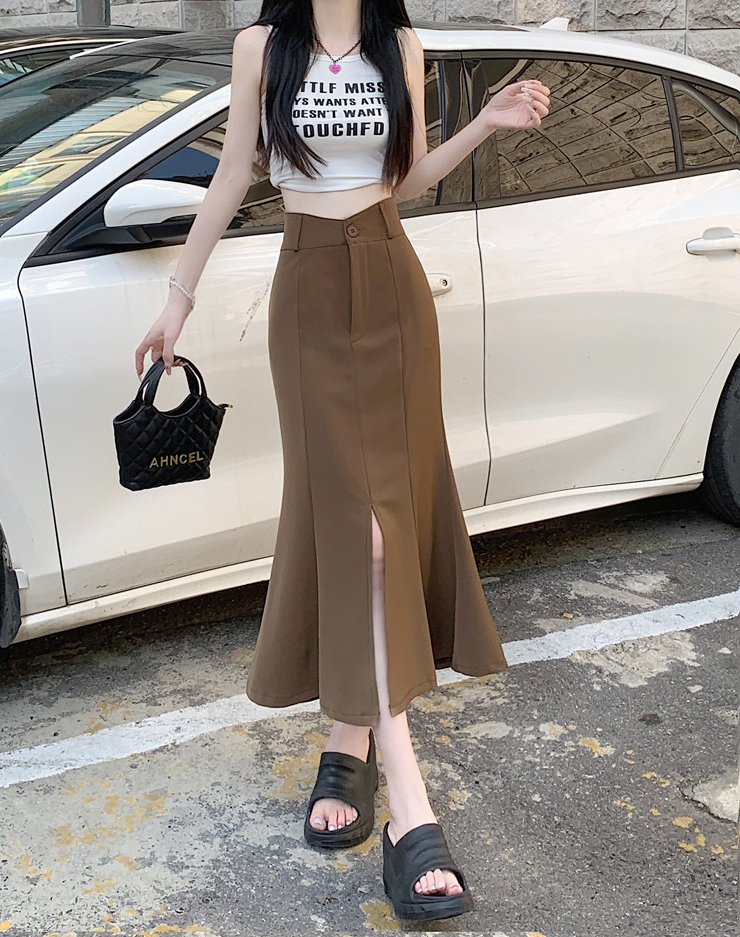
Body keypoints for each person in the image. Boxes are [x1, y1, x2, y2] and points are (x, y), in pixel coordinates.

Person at [135, 0, 550, 922]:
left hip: (394, 286)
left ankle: (349, 737)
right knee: (355, 529)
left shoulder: (399, 45)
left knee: (386, 525)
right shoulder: (261, 47)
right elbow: (233, 172)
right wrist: (177, 300)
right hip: (310, 290)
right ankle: (412, 809)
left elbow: (404, 178)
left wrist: (484, 122)